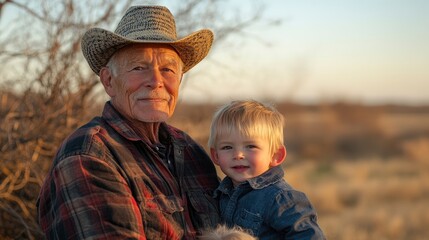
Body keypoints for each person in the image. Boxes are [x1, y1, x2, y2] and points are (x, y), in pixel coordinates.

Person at [37, 5, 220, 239]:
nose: (156, 81)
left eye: (167, 69)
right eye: (138, 67)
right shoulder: (88, 155)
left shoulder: (192, 152)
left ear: (180, 80)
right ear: (109, 81)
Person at [208, 100, 325, 239]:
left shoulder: (280, 198)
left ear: (276, 155)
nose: (238, 155)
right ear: (215, 156)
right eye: (227, 147)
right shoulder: (219, 193)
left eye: (251, 146)